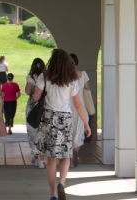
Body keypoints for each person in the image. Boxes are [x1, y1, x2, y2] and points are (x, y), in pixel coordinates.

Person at [32, 49, 91, 200]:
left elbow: (36, 98)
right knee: (66, 154)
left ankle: (52, 194)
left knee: (51, 158)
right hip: (65, 119)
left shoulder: (44, 77)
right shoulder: (71, 80)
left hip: (48, 119)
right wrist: (86, 123)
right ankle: (62, 184)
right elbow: (77, 105)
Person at [69, 53, 91, 167]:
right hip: (80, 104)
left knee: (69, 131)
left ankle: (69, 159)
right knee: (80, 129)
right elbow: (88, 88)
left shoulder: (64, 76)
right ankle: (75, 152)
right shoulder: (82, 74)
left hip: (68, 105)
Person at [25, 58, 46, 169]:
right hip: (43, 105)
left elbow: (28, 92)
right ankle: (42, 160)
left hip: (32, 106)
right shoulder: (46, 76)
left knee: (32, 131)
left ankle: (36, 157)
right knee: (42, 132)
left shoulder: (30, 77)